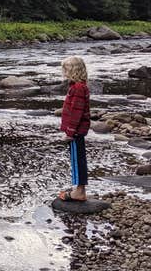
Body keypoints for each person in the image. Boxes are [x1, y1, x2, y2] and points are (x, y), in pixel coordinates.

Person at [58, 56, 90, 202]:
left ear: (73, 71)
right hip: (76, 130)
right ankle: (79, 188)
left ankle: (80, 191)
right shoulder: (78, 86)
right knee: (78, 159)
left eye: (65, 69)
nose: (63, 72)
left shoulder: (78, 88)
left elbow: (76, 112)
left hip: (76, 131)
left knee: (77, 161)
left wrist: (70, 132)